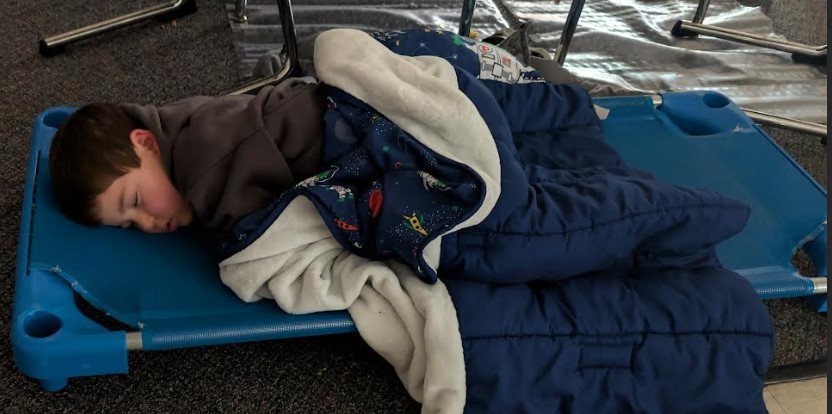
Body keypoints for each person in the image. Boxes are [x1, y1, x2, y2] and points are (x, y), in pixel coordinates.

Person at [48, 77, 328, 242]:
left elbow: (260, 239)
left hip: (339, 131)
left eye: (134, 202)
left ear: (145, 143)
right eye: (130, 224)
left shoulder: (202, 170)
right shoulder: (175, 120)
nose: (147, 224)